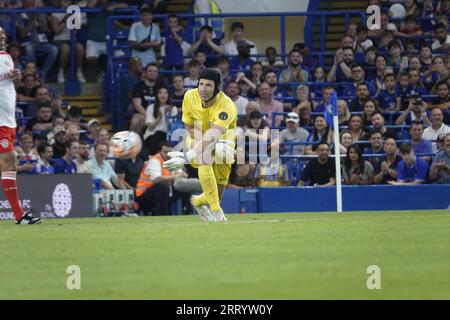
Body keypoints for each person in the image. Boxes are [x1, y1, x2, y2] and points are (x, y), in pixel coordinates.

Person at [162, 69, 237, 222]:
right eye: (201, 84)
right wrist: (197, 147)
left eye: (208, 85)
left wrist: (187, 156)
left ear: (217, 87)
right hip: (196, 136)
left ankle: (197, 201)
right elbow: (189, 126)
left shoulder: (226, 105)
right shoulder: (190, 96)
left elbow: (214, 134)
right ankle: (217, 212)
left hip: (223, 140)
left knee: (220, 184)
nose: (203, 88)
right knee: (205, 154)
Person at [136, 141, 190, 216]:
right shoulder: (154, 160)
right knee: (162, 185)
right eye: (165, 152)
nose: (168, 154)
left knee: (184, 185)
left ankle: (187, 210)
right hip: (144, 194)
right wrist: (176, 176)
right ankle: (162, 214)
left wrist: (183, 175)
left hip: (164, 192)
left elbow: (183, 175)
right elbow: (157, 179)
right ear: (159, 152)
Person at [17, 0, 58, 82]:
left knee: (54, 49)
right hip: (28, 43)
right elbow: (22, 33)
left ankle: (42, 74)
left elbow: (45, 29)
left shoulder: (39, 13)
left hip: (42, 43)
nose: (29, 4)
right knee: (29, 48)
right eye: (27, 2)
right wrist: (32, 22)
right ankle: (33, 73)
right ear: (23, 3)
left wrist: (39, 19)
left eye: (31, 2)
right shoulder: (19, 14)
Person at [49, 0, 86, 83]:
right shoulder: (55, 14)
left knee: (80, 48)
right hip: (59, 40)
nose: (67, 3)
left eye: (69, 2)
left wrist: (75, 20)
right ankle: (61, 72)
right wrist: (66, 19)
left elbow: (76, 31)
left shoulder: (75, 13)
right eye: (65, 1)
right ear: (60, 2)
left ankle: (79, 72)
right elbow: (57, 31)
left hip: (72, 39)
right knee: (66, 49)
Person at [143, 86, 178, 156]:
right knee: (158, 134)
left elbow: (172, 129)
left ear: (168, 95)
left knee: (161, 134)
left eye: (165, 93)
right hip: (151, 136)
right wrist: (158, 118)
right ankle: (151, 156)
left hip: (166, 136)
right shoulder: (151, 107)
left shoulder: (173, 108)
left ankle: (151, 156)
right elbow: (150, 127)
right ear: (157, 95)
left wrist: (167, 115)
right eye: (160, 93)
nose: (163, 95)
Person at [130, 63, 163, 134]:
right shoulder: (139, 85)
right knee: (136, 120)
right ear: (145, 73)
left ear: (157, 74)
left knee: (141, 122)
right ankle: (132, 141)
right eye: (150, 71)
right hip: (143, 114)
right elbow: (137, 105)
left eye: (155, 71)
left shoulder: (161, 85)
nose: (152, 73)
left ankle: (139, 143)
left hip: (158, 114)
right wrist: (149, 116)